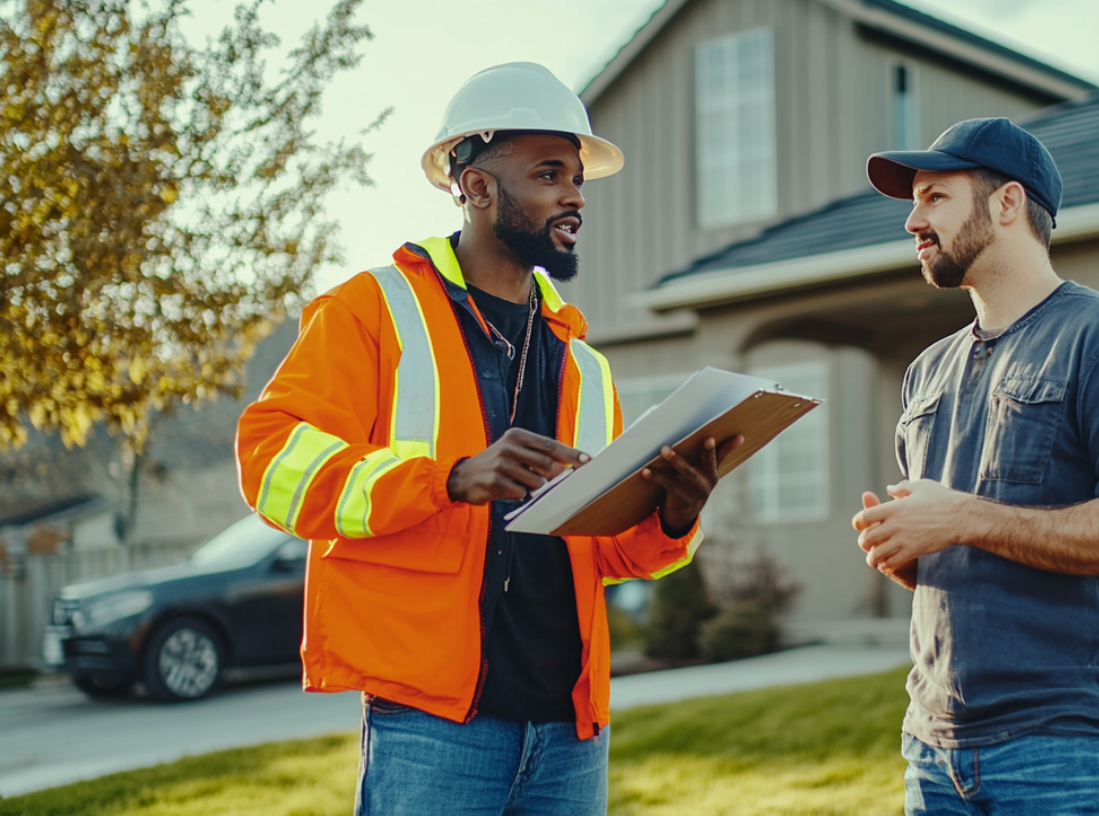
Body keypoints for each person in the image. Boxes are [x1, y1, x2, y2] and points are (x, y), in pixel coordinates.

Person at [235, 62, 740, 816]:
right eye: (548, 173)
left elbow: (604, 553)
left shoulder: (583, 363)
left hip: (570, 732)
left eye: (576, 177)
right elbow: (270, 458)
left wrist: (673, 515)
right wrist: (449, 478)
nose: (573, 195)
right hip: (434, 725)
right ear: (473, 187)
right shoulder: (371, 310)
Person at [851, 118, 1099, 815]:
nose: (913, 220)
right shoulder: (927, 371)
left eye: (935, 197)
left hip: (1057, 746)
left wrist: (961, 517)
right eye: (914, 201)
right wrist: (907, 546)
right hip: (930, 745)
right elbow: (964, 545)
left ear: (1007, 203)